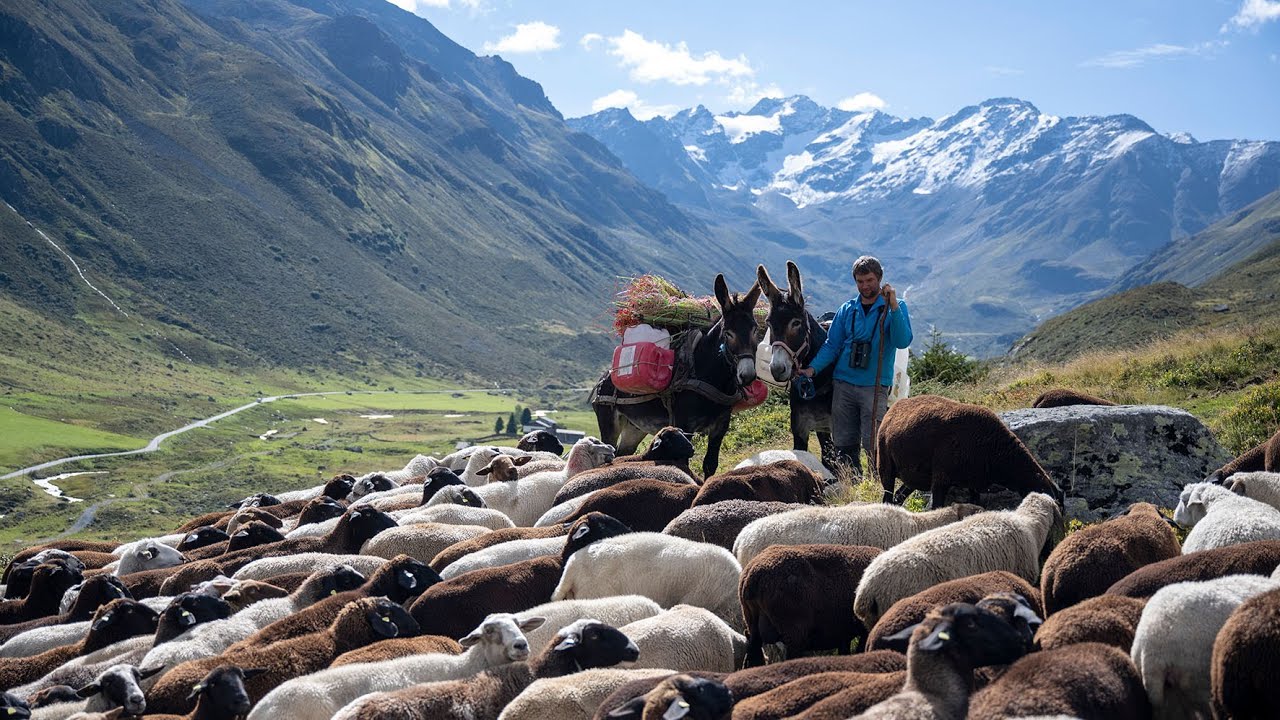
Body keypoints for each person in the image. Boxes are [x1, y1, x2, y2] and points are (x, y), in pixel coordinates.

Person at [798, 256, 912, 477]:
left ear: (879, 279)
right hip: (843, 384)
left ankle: (877, 481)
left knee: (874, 440)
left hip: (875, 386)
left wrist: (894, 306)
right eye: (860, 281)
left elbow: (902, 341)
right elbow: (832, 345)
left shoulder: (894, 308)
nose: (865, 286)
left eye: (869, 280)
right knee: (843, 439)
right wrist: (811, 370)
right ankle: (850, 481)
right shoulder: (847, 309)